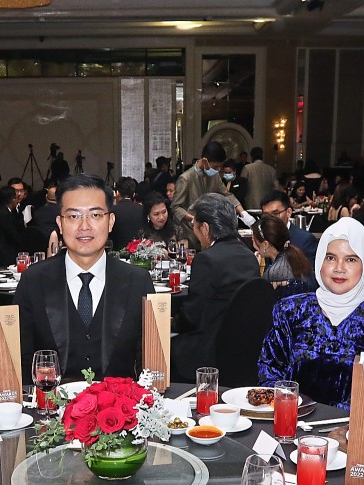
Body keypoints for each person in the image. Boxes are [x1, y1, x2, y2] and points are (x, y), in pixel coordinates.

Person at [14, 173, 154, 380]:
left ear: (110, 221)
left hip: (119, 400)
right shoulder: (33, 281)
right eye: (73, 216)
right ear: (60, 223)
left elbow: (149, 364)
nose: (84, 226)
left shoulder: (138, 281)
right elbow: (22, 362)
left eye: (95, 215)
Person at [257, 217, 364, 410]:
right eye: (331, 258)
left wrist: (329, 419)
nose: (339, 268)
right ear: (320, 260)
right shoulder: (290, 310)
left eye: (350, 259)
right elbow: (269, 371)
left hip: (353, 425)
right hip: (292, 419)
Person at [171, 193, 259, 381]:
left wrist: (170, 323)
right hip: (242, 349)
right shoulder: (249, 256)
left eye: (194, 225)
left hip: (208, 351)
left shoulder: (206, 259)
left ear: (205, 228)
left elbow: (191, 317)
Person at [170, 141, 244, 247]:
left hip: (210, 233)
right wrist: (193, 219)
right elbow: (176, 207)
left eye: (220, 167)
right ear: (205, 160)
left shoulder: (214, 176)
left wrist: (242, 212)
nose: (218, 170)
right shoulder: (186, 178)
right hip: (191, 233)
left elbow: (227, 195)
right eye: (215, 166)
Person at [252, 214, 313, 299]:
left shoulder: (274, 271)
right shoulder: (296, 257)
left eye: (254, 240)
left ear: (265, 244)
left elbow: (260, 299)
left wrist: (255, 269)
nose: (253, 244)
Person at [260, 190, 317, 265]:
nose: (270, 219)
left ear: (288, 212)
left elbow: (308, 271)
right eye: (266, 215)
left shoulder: (305, 240)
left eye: (275, 214)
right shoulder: (262, 237)